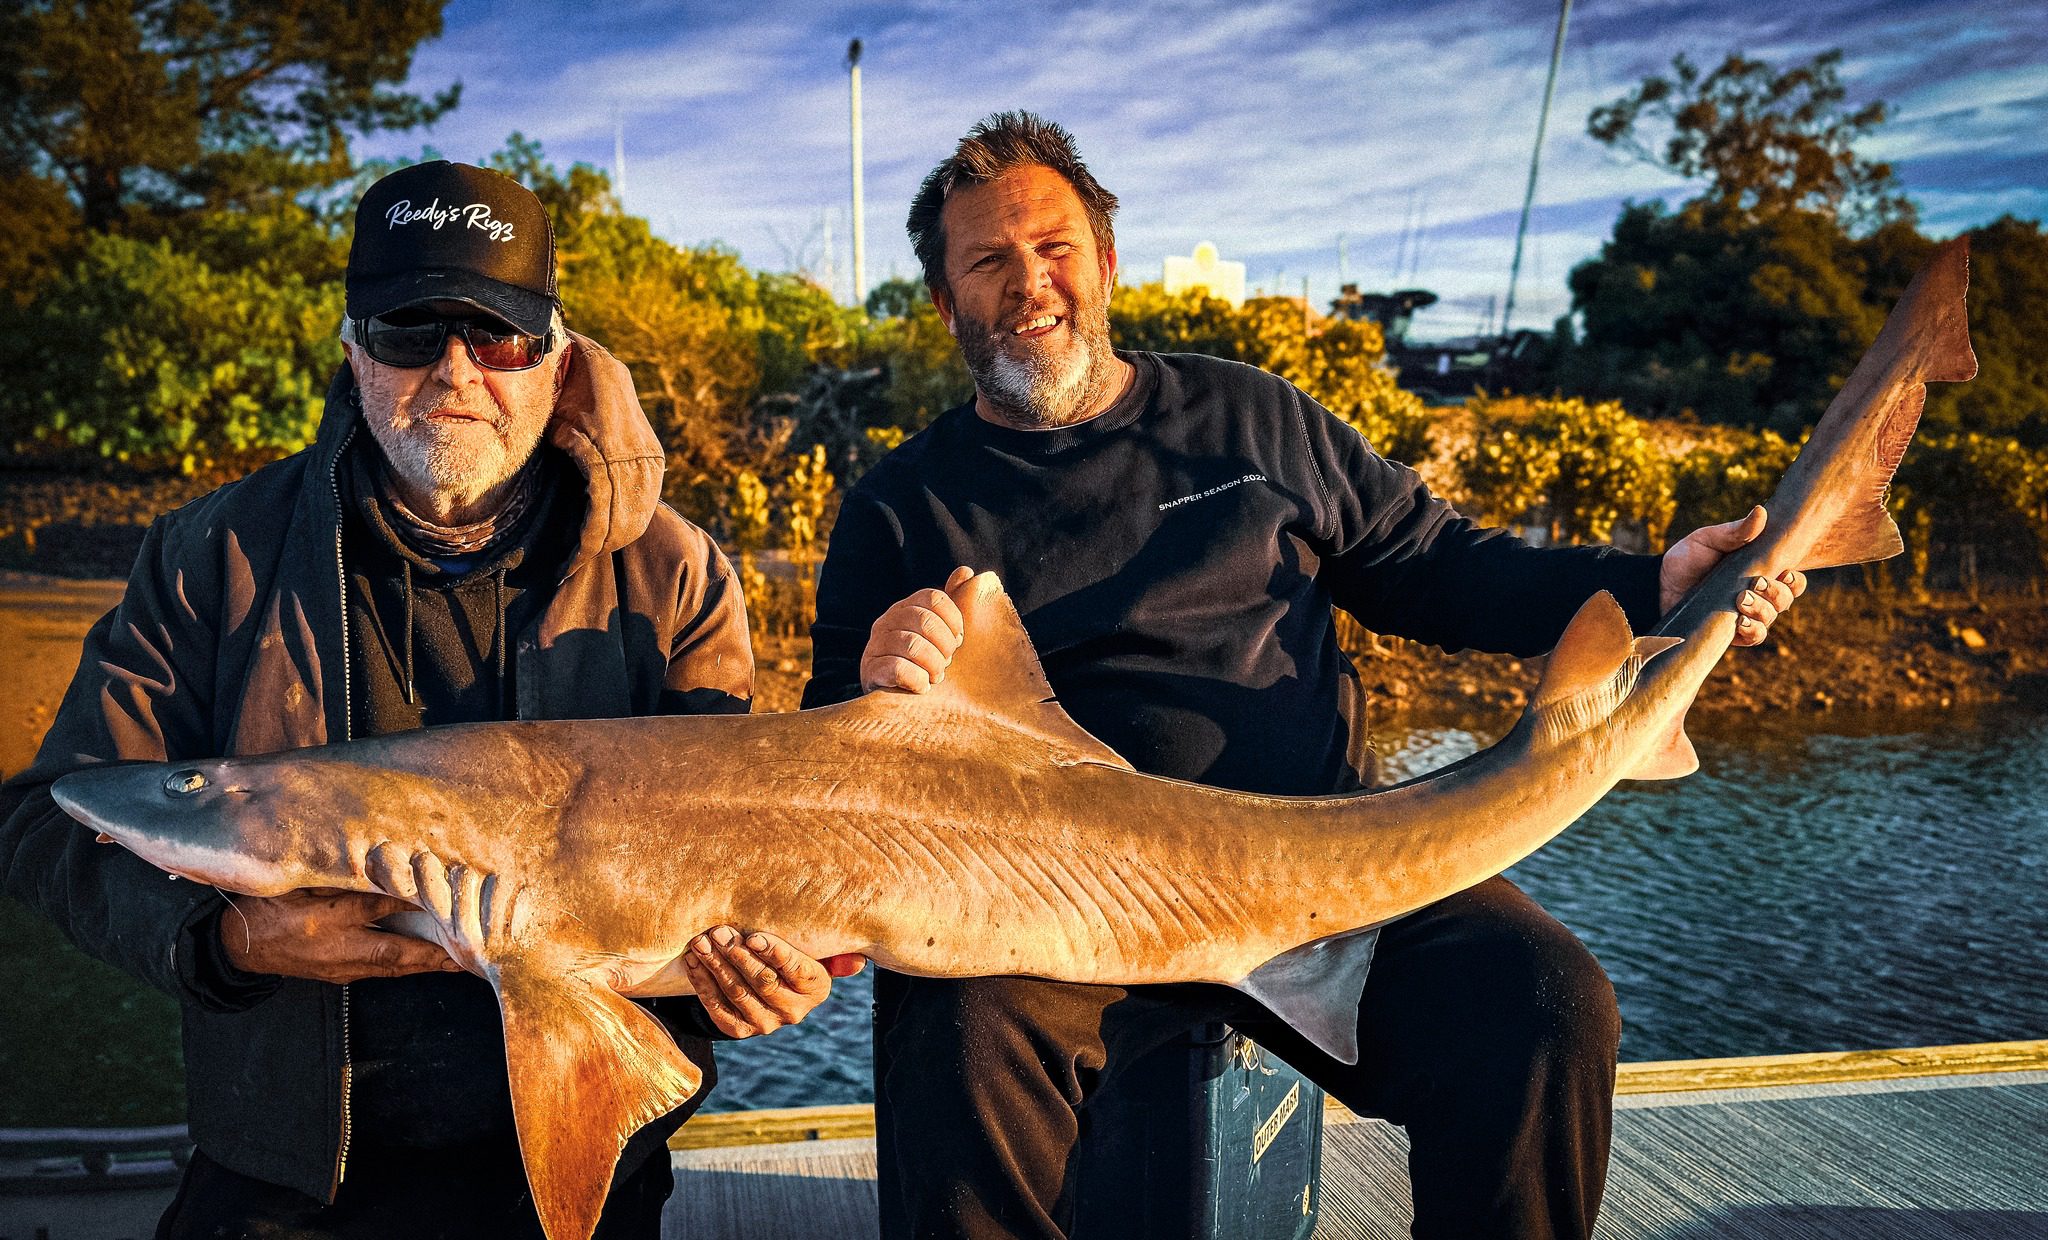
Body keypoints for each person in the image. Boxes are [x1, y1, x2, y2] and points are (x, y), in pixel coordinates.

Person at [802, 112, 1805, 1240]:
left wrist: (1652, 582)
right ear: (945, 303)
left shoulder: (1251, 417)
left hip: (1329, 872)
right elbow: (819, 770)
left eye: (1054, 248)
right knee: (951, 1026)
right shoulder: (896, 507)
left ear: (1107, 263)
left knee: (1543, 1002)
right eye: (987, 260)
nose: (1029, 283)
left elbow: (1438, 567)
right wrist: (874, 688)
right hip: (1047, 912)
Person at [0, 160, 857, 1239]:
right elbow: (49, 822)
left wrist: (753, 984)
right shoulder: (212, 553)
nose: (454, 369)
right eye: (409, 331)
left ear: (556, 356)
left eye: (497, 336)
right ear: (353, 350)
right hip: (282, 1171)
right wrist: (227, 943)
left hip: (578, 1172)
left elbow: (749, 870)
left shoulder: (675, 574)